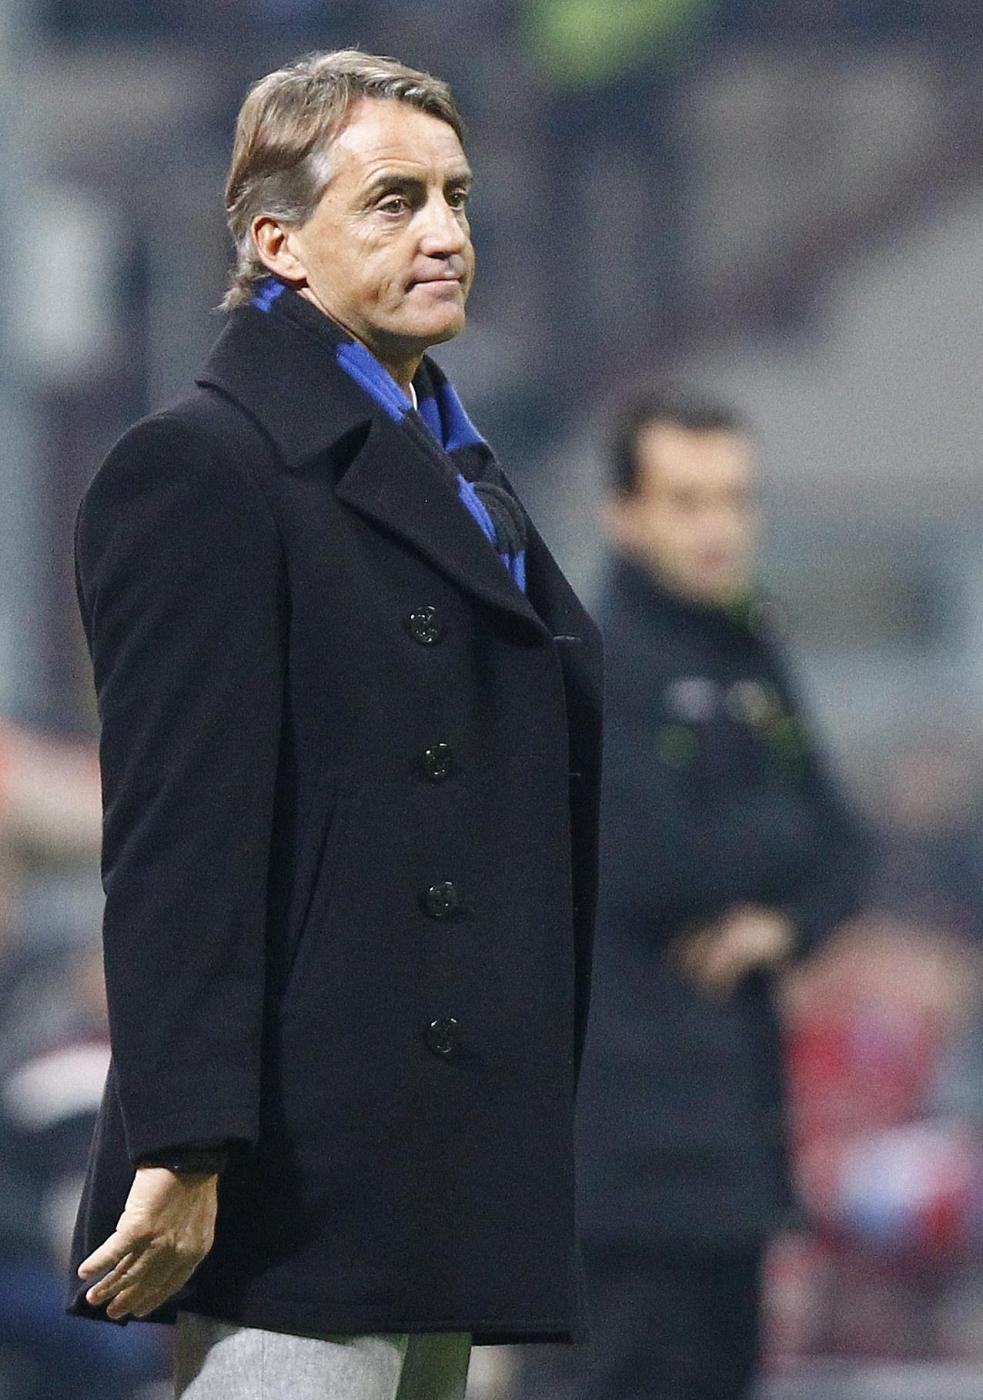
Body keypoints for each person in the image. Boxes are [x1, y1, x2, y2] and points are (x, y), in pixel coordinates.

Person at [66, 50, 603, 1400]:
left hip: (439, 1154)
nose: (445, 233)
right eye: (392, 201)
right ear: (277, 241)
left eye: (456, 197)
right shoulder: (201, 469)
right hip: (298, 1172)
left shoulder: (459, 471)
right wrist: (186, 1143)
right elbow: (178, 842)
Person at [569, 389, 866, 1400]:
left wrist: (780, 923)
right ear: (624, 513)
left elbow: (842, 848)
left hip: (734, 1140)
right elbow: (658, 860)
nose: (716, 527)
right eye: (686, 500)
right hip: (617, 1155)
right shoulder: (592, 659)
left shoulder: (750, 653)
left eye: (734, 499)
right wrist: (772, 842)